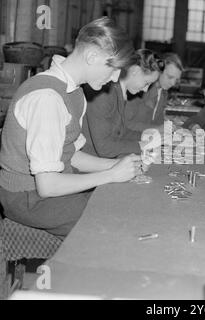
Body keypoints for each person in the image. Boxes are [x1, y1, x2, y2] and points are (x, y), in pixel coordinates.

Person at [0, 17, 143, 239]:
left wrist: (115, 164)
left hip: (49, 190)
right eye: (114, 69)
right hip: (27, 197)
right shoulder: (47, 97)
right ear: (92, 56)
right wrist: (111, 174)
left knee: (122, 203)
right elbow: (47, 185)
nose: (115, 78)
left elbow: (71, 155)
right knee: (117, 227)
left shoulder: (74, 92)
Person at [82, 49, 164, 158]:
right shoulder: (104, 93)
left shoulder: (119, 91)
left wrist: (147, 137)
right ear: (135, 71)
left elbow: (120, 132)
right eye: (146, 83)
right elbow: (104, 147)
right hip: (91, 161)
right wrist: (141, 145)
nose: (145, 90)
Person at [124, 52, 183, 133]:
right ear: (159, 70)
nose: (173, 83)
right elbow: (126, 124)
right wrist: (157, 129)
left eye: (176, 79)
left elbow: (157, 123)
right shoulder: (139, 90)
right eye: (170, 77)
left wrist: (170, 126)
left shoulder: (163, 93)